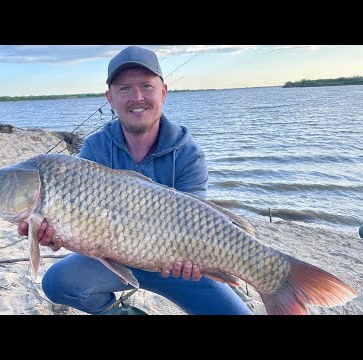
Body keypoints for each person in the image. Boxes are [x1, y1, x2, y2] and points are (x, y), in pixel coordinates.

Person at [18, 46, 252, 315]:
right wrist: (56, 233)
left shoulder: (188, 154)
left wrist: (193, 262)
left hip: (175, 267)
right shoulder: (95, 148)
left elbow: (200, 223)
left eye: (146, 86)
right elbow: (78, 223)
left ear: (163, 92)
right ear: (110, 98)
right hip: (116, 261)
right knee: (58, 283)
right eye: (125, 89)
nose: (137, 97)